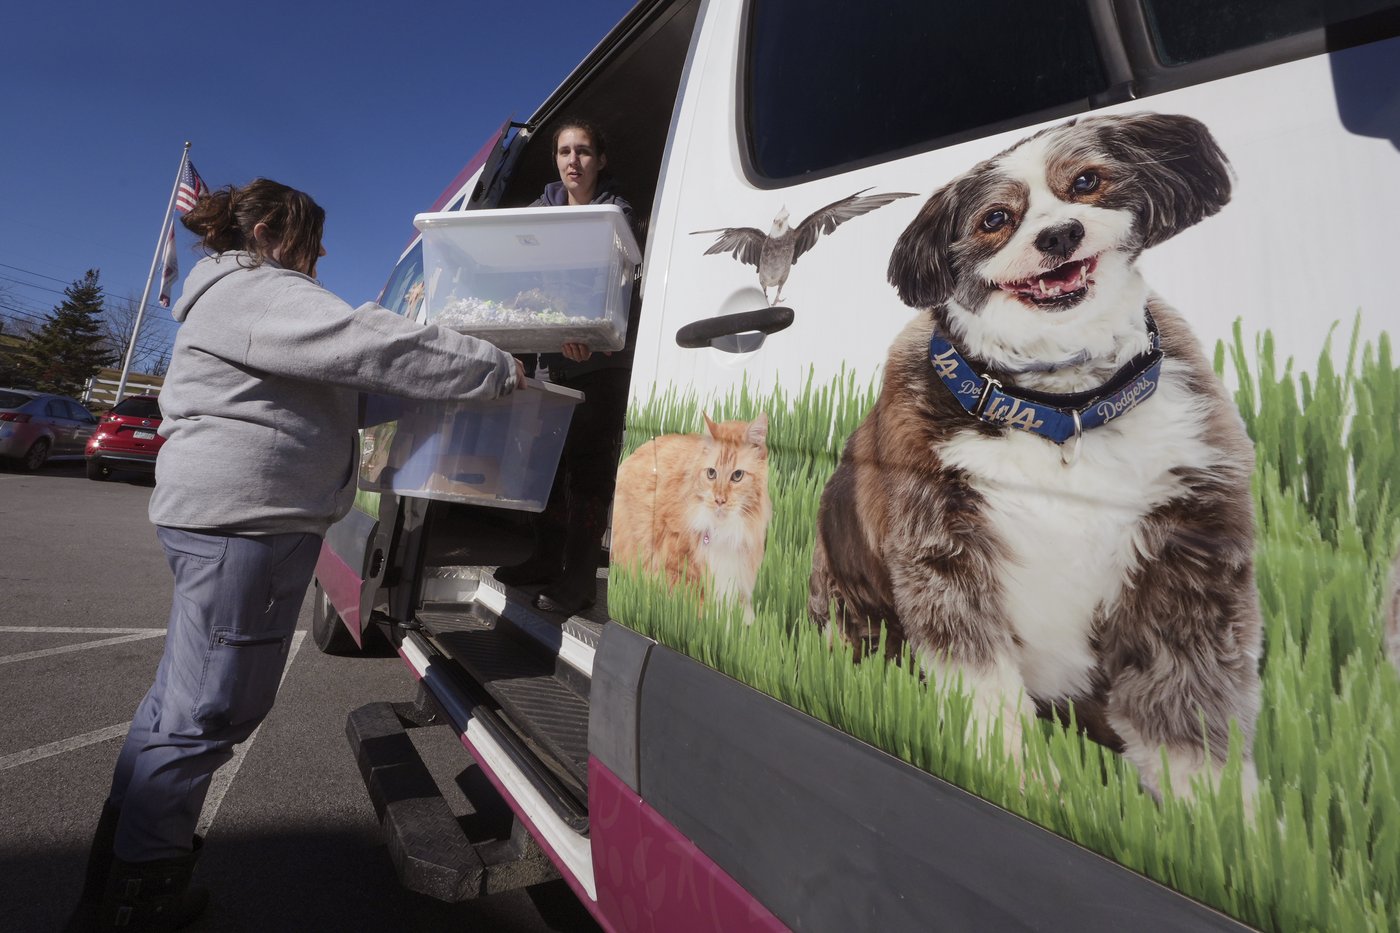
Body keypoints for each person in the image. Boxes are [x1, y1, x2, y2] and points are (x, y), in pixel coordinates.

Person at [67, 178, 524, 933]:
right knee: (210, 711)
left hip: (220, 525)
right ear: (277, 233)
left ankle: (120, 871)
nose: (320, 255)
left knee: (175, 709)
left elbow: (343, 385)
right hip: (246, 529)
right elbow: (370, 340)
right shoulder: (261, 288)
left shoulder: (232, 297)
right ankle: (135, 901)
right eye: (312, 238)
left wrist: (432, 392)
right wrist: (492, 368)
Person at [494, 118, 639, 615]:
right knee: (546, 467)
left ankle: (578, 581)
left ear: (600, 160)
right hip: (553, 361)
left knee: (588, 472)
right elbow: (523, 287)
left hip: (601, 363)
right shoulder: (538, 218)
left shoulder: (617, 217)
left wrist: (594, 338)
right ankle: (543, 560)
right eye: (563, 152)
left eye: (582, 151)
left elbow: (617, 292)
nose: (572, 161)